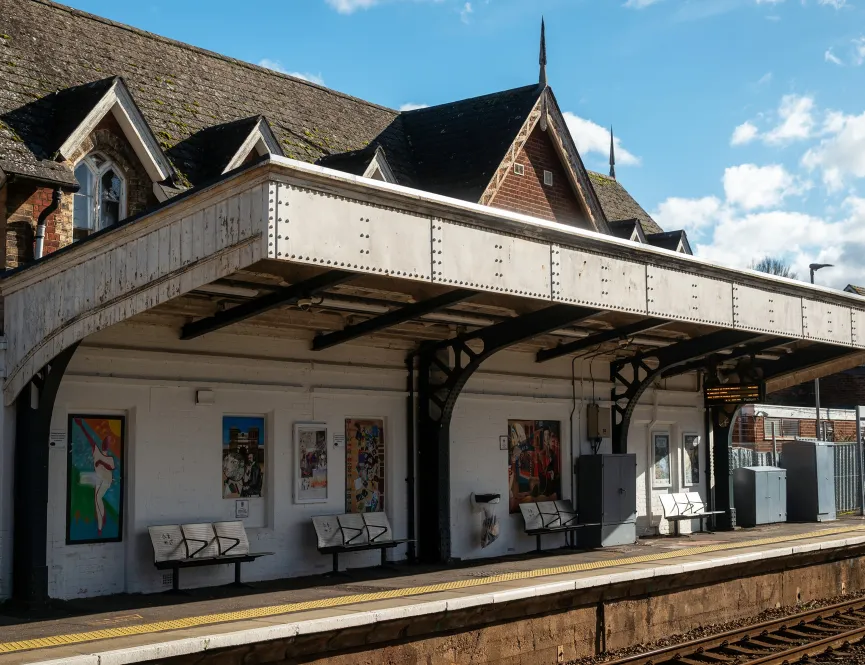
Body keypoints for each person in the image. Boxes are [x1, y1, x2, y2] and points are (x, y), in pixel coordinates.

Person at [74, 418, 116, 536]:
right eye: (106, 442)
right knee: (98, 500)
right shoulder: (97, 452)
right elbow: (90, 439)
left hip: (106, 480)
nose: (106, 444)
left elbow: (111, 467)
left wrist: (101, 463)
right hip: (98, 479)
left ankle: (101, 525)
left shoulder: (110, 458)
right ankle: (100, 523)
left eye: (107, 442)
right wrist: (81, 426)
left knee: (98, 498)